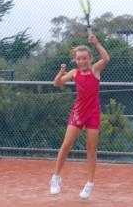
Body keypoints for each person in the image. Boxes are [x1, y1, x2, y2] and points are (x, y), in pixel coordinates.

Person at [50, 34, 110, 200]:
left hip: (93, 114)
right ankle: (55, 177)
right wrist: (61, 72)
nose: (81, 61)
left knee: (91, 150)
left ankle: (90, 184)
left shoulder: (95, 70)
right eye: (78, 59)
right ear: (75, 60)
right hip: (78, 112)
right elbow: (56, 83)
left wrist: (96, 43)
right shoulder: (74, 73)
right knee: (66, 145)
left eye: (84, 58)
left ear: (90, 59)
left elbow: (106, 58)